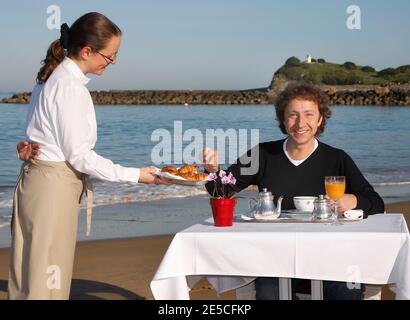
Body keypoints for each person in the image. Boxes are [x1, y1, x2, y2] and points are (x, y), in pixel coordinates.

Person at [10, 12, 170, 300]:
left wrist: (26, 147)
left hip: (35, 182)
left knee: (27, 276)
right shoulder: (70, 87)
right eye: (110, 56)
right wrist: (136, 175)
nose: (113, 62)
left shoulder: (47, 79)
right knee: (48, 282)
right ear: (87, 51)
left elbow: (39, 137)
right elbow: (80, 157)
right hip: (52, 189)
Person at [201, 82, 385, 300]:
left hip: (332, 253)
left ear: (320, 120)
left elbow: (376, 202)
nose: (300, 123)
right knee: (269, 294)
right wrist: (212, 170)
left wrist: (352, 200)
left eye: (309, 114)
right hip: (275, 256)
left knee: (347, 290)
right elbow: (222, 190)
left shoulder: (337, 158)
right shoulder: (262, 154)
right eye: (293, 115)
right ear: (283, 119)